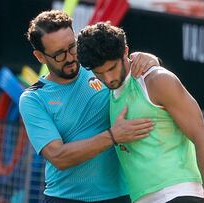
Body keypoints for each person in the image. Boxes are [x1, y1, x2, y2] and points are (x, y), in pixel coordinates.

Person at [19, 10, 161, 203]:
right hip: (65, 198)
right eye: (59, 54)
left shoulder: (99, 67)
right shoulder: (33, 99)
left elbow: (129, 63)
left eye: (72, 47)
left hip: (122, 195)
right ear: (40, 57)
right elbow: (58, 157)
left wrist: (149, 60)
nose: (70, 58)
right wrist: (113, 136)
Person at [77, 22, 204, 203]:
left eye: (112, 68)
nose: (109, 78)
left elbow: (201, 135)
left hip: (177, 193)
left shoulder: (156, 79)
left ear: (125, 52)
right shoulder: (108, 92)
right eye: (100, 73)